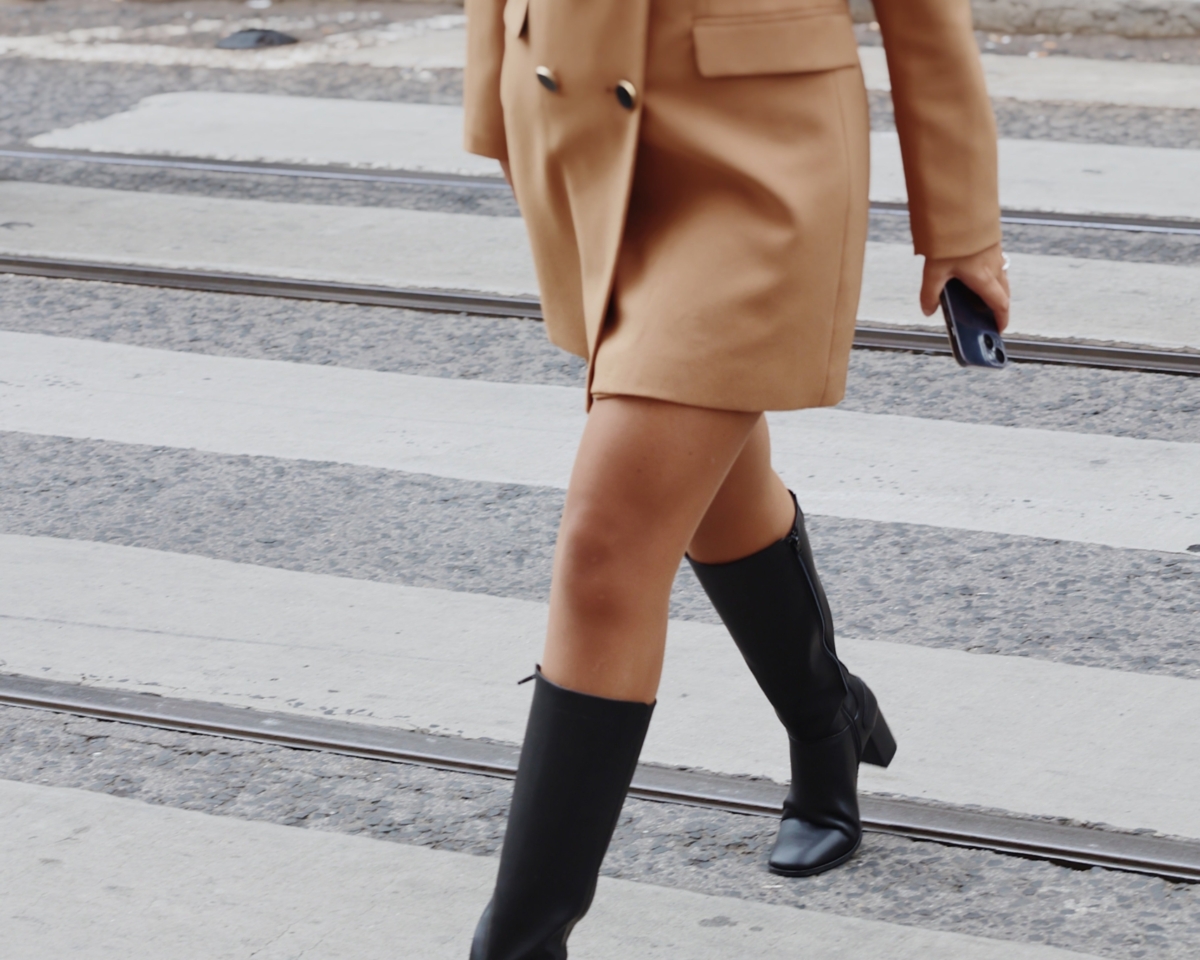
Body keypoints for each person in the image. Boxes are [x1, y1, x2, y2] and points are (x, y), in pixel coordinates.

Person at [462, 0, 1010, 955]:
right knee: (710, 491)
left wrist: (961, 220)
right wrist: (494, 91)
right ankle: (825, 718)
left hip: (761, 154)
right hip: (576, 113)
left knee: (609, 545)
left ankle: (517, 945)